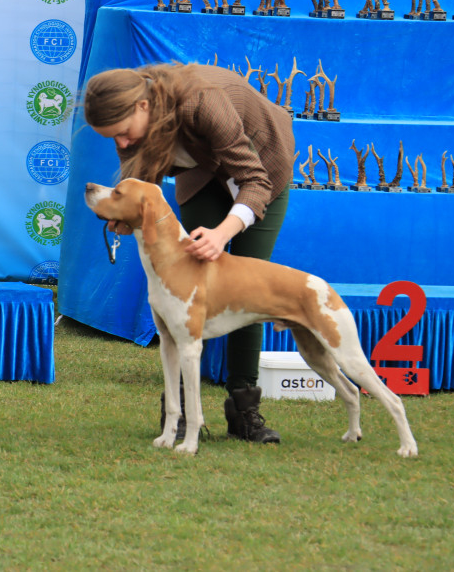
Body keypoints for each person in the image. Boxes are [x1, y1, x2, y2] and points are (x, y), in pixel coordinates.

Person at [83, 62, 296, 444]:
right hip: (202, 174)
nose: (123, 144)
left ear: (143, 107)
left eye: (123, 133)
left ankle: (245, 410)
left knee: (247, 287)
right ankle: (178, 412)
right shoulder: (131, 124)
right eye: (111, 139)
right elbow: (137, 192)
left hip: (261, 166)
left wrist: (221, 234)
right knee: (188, 275)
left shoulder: (201, 102)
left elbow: (253, 180)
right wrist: (122, 219)